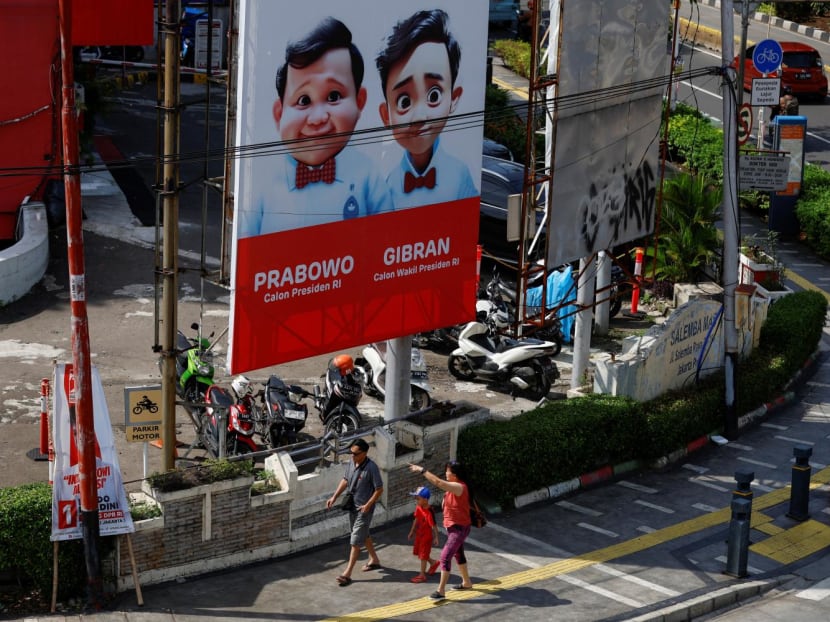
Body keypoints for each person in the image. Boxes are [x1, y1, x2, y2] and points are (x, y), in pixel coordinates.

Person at [237, 17, 393, 237]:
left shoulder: (367, 175)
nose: (318, 118)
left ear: (359, 102)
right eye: (303, 100)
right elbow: (247, 248)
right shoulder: (263, 185)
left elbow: (386, 237)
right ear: (279, 115)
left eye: (334, 96)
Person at [375, 9, 478, 210]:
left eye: (433, 96)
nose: (420, 116)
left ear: (454, 99)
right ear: (386, 115)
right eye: (404, 102)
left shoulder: (460, 174)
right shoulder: (387, 185)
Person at [408, 460, 473, 601]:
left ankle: (441, 591)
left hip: (458, 529)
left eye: (448, 471)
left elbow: (438, 482)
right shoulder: (454, 488)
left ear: (455, 475)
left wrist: (422, 470)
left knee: (444, 557)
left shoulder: (459, 487)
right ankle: (467, 582)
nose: (446, 473)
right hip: (454, 528)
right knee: (458, 554)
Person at [326, 438, 384, 586]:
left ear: (364, 453)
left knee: (355, 540)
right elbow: (345, 480)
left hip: (364, 510)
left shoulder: (372, 468)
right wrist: (334, 497)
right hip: (352, 506)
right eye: (351, 452)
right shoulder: (352, 462)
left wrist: (368, 504)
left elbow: (379, 489)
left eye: (355, 453)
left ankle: (347, 574)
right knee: (363, 535)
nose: (352, 456)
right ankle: (375, 560)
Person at [407, 485, 440, 583]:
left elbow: (434, 526)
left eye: (418, 498)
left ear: (425, 499)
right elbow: (416, 519)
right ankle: (434, 563)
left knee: (423, 556)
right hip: (419, 535)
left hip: (426, 537)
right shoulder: (418, 507)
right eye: (416, 498)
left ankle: (422, 575)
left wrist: (436, 538)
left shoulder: (429, 512)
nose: (416, 500)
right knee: (420, 553)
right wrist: (412, 531)